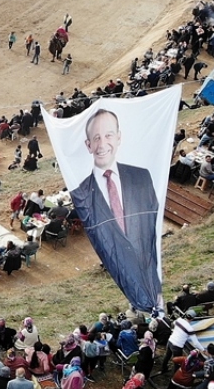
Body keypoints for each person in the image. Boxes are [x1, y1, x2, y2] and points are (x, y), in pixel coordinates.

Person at [69, 109, 162, 312]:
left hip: (147, 269)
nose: (102, 144)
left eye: (108, 135)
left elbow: (152, 223)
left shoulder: (142, 177)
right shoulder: (81, 193)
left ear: (119, 138)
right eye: (96, 138)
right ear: (88, 145)